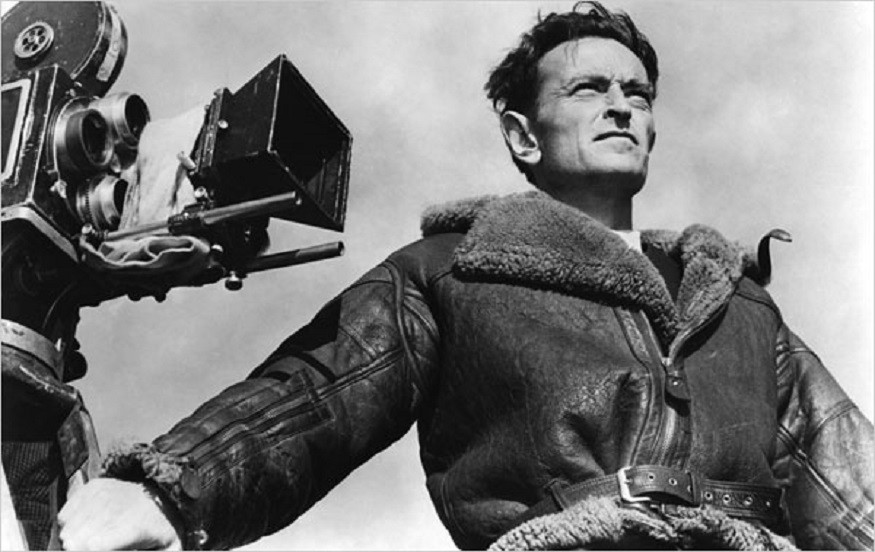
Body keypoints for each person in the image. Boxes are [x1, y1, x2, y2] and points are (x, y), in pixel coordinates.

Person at [57, 2, 873, 550]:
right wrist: (168, 491)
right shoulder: (453, 270)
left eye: (637, 92)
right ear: (522, 136)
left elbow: (847, 483)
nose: (621, 105)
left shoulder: (737, 304)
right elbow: (318, 392)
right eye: (588, 89)